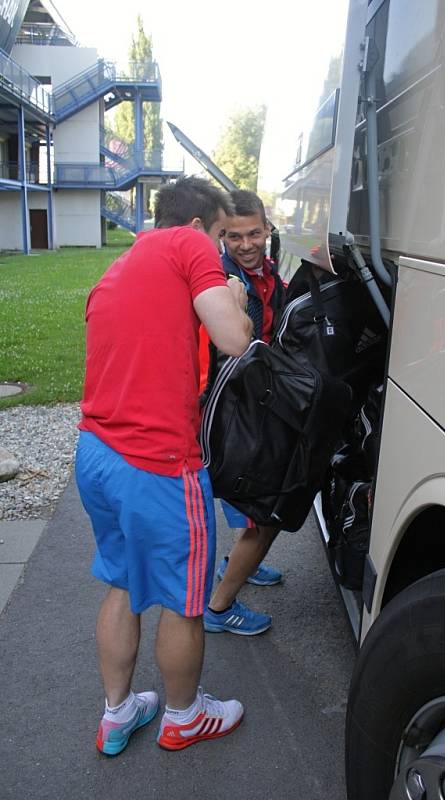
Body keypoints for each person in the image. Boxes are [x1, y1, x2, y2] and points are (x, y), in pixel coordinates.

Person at [75, 176, 253, 756]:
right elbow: (232, 339)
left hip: (97, 452)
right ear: (200, 225)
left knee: (123, 582)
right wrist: (237, 302)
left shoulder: (117, 269)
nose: (227, 246)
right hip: (159, 464)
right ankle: (183, 716)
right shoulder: (189, 244)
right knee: (183, 598)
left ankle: (117, 713)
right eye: (224, 234)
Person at [202, 190, 286, 637]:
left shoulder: (270, 271)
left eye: (254, 232)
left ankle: (238, 564)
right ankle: (219, 608)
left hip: (260, 399)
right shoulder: (220, 280)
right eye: (233, 236)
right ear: (221, 237)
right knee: (266, 512)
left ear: (267, 229)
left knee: (253, 507)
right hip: (237, 408)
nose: (246, 243)